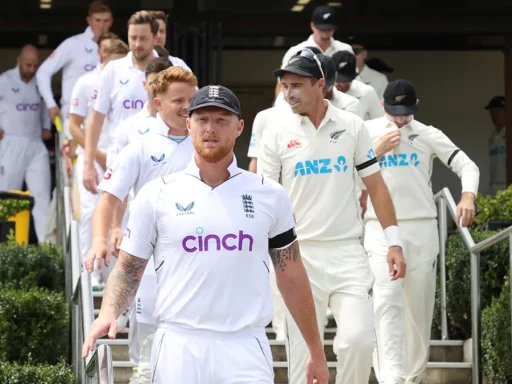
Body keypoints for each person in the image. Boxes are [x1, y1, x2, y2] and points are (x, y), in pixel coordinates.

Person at [82, 84, 329, 384]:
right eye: (202, 119)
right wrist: (108, 312)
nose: (210, 128)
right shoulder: (156, 194)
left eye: (222, 120)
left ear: (239, 127)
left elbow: (291, 275)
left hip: (246, 347)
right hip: (178, 345)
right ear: (189, 124)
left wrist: (316, 350)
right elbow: (128, 269)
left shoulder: (270, 194)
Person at [259, 49, 405, 384]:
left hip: (347, 252)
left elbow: (377, 187)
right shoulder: (276, 131)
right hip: (297, 256)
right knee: (302, 359)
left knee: (358, 341)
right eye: (284, 85)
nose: (288, 93)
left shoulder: (352, 125)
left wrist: (393, 242)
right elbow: (266, 197)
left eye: (297, 84)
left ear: (320, 85)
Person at [363, 79, 479, 384]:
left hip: (422, 228)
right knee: (386, 300)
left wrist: (468, 196)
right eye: (394, 112)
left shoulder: (428, 134)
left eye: (405, 112)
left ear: (416, 107)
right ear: (383, 106)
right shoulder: (366, 131)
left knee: (418, 308)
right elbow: (348, 171)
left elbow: (467, 166)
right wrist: (378, 150)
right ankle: (390, 377)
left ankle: (411, 378)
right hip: (379, 229)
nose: (400, 119)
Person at [86, 66, 196, 383]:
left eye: (191, 98)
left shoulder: (206, 144)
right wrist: (98, 240)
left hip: (196, 256)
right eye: (178, 100)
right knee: (146, 358)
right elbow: (107, 199)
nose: (187, 106)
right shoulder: (141, 147)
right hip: (146, 261)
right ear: (157, 103)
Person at [69, 38, 130, 290]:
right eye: (111, 62)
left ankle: (115, 278)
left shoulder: (129, 81)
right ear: (101, 58)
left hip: (121, 158)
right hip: (92, 160)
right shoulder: (85, 82)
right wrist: (94, 158)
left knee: (123, 220)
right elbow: (74, 125)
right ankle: (90, 275)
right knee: (91, 215)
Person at [83, 10, 160, 194]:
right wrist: (88, 164)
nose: (137, 44)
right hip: (119, 163)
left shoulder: (174, 67)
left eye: (143, 38)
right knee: (114, 222)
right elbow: (95, 119)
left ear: (155, 37)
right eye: (133, 38)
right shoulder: (113, 70)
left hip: (158, 165)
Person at [36, 0, 113, 138]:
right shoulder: (73, 44)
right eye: (98, 20)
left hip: (105, 117)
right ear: (89, 20)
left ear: (111, 22)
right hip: (74, 114)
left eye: (106, 21)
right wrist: (51, 104)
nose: (102, 25)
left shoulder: (116, 48)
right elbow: (43, 72)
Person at [0, 45, 52, 243]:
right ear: (19, 60)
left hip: (35, 144)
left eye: (35, 65)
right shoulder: (4, 81)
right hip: (11, 143)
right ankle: (5, 247)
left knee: (42, 198)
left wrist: (46, 126)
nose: (31, 69)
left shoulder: (39, 82)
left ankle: (47, 248)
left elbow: (46, 103)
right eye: (28, 65)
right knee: (7, 196)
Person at [276, 5, 353, 99]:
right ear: (312, 25)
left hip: (339, 104)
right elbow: (281, 84)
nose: (325, 34)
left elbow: (354, 81)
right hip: (304, 105)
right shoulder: (296, 51)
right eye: (322, 29)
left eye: (329, 29)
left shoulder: (345, 49)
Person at [107, 57, 172, 167]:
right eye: (153, 83)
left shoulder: (188, 126)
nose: (158, 89)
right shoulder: (127, 127)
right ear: (144, 85)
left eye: (163, 84)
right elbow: (114, 169)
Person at [332, 50, 383, 121]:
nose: (342, 84)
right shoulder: (322, 92)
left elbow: (380, 121)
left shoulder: (367, 92)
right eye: (339, 80)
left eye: (347, 80)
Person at [485, 96, 506, 194]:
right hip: (494, 186)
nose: (494, 116)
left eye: (497, 112)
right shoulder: (493, 137)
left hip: (508, 186)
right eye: (492, 112)